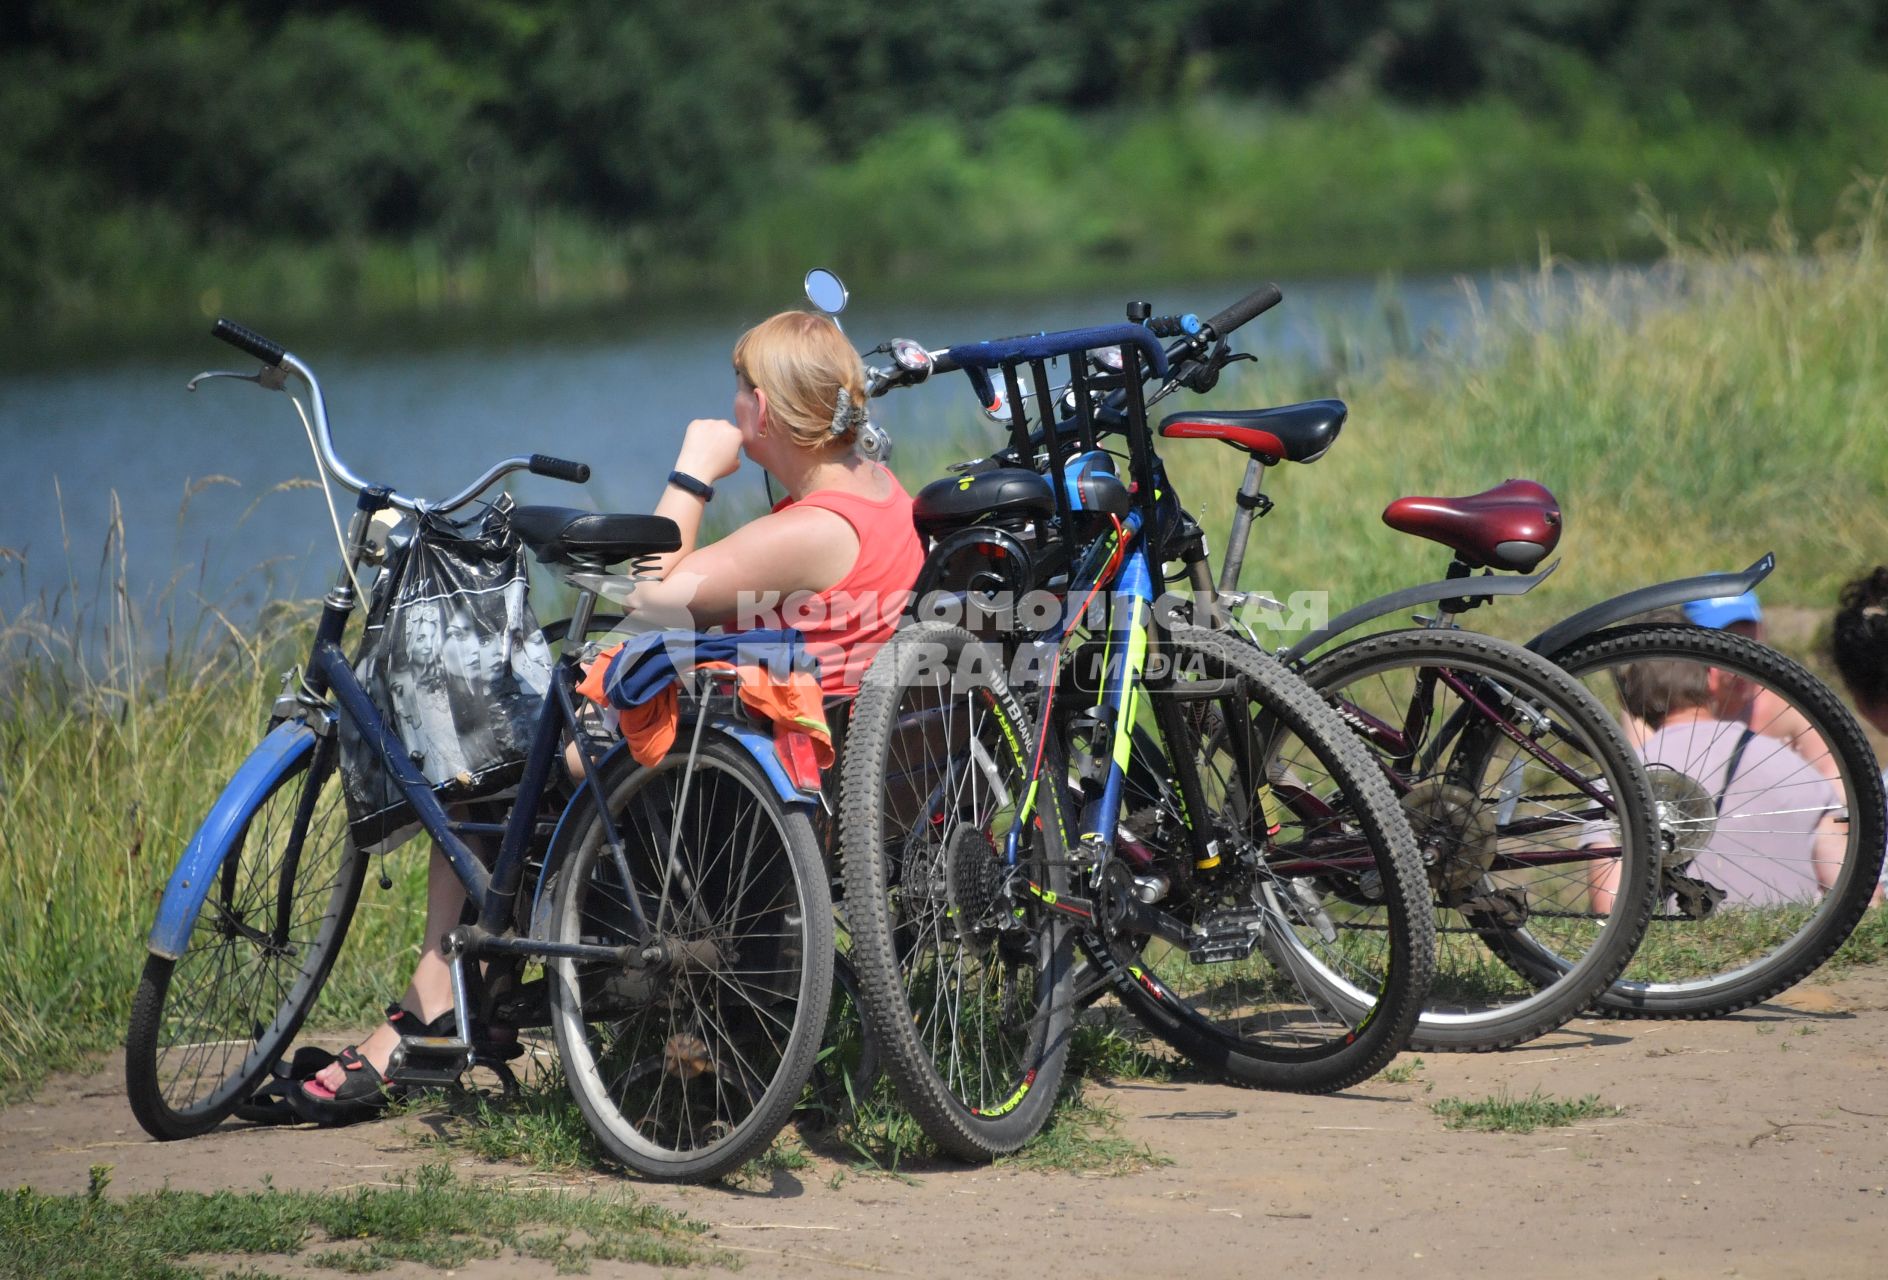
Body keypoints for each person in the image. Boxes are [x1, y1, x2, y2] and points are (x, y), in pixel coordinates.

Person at [292, 310, 923, 1124]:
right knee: (558, 720)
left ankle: (439, 995)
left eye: (739, 391)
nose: (731, 408)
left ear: (763, 410)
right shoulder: (881, 496)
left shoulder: (811, 528)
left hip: (736, 783)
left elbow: (656, 594)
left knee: (495, 760)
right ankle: (457, 991)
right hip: (827, 756)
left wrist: (694, 470)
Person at [1589, 623, 1843, 912]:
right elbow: (1855, 889)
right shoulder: (1792, 763)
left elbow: (1608, 904)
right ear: (1711, 679)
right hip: (1803, 944)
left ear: (1632, 702)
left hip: (1684, 942)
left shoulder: (1621, 779)